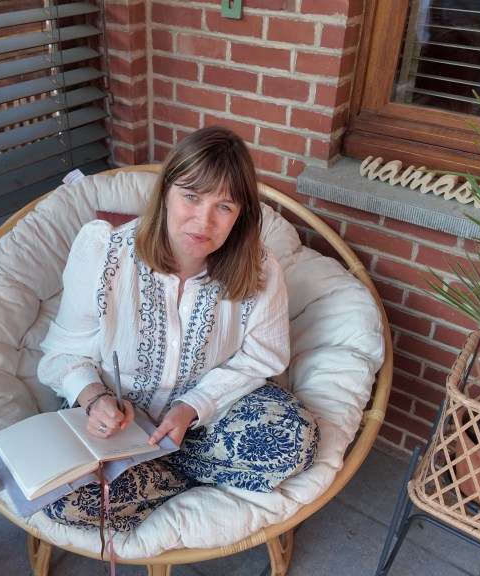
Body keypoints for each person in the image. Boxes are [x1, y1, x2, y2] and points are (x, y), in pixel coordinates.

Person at [37, 126, 320, 531]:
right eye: (191, 196)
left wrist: (193, 406)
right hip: (120, 422)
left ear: (241, 214)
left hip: (207, 419)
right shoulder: (104, 254)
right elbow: (64, 353)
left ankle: (161, 473)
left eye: (224, 206)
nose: (204, 221)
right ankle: (191, 475)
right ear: (166, 193)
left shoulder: (259, 269)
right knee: (62, 498)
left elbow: (264, 356)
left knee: (297, 441)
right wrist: (95, 398)